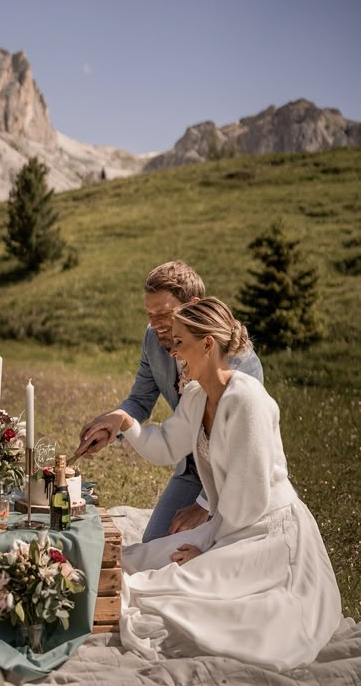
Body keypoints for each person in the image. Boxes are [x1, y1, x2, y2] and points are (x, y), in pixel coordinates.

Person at [83, 297, 342, 671]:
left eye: (180, 342)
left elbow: (250, 500)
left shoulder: (247, 399)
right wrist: (125, 421)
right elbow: (167, 446)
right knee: (139, 560)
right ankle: (92, 589)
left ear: (208, 344)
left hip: (268, 535)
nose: (173, 352)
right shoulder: (197, 395)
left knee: (176, 588)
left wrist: (208, 550)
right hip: (229, 524)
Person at [78, 261, 263, 542]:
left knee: (207, 555)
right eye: (149, 314)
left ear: (194, 306)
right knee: (154, 544)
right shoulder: (154, 339)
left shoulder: (240, 368)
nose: (154, 325)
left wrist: (204, 505)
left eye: (163, 314)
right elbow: (141, 401)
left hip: (237, 480)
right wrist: (116, 423)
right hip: (191, 468)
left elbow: (247, 454)